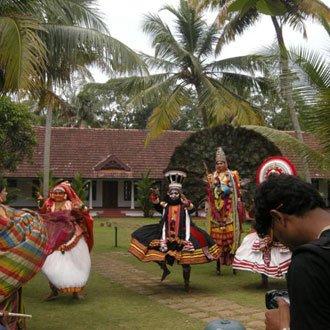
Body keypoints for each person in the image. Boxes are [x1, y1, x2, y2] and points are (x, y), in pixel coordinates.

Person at [254, 174, 330, 330]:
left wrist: (282, 327)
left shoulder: (310, 262)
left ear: (278, 218)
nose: (283, 244)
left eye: (275, 236)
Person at [129, 170, 220, 292]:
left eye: (176, 193)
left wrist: (186, 202)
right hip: (165, 234)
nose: (173, 196)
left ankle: (186, 285)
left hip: (183, 235)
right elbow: (157, 205)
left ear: (180, 194)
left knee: (186, 262)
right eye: (171, 193)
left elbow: (192, 208)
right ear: (168, 194)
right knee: (152, 249)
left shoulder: (184, 207)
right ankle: (165, 269)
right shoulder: (166, 206)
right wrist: (154, 197)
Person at [0, 184, 48, 329]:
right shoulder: (10, 215)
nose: (6, 192)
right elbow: (32, 226)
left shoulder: (9, 214)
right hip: (9, 272)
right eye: (3, 190)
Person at [39, 181, 93, 300]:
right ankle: (54, 290)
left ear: (66, 194)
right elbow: (42, 215)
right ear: (52, 194)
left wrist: (83, 209)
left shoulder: (71, 204)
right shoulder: (48, 204)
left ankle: (76, 292)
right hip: (52, 236)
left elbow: (83, 213)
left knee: (77, 262)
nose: (58, 195)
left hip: (73, 236)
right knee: (50, 263)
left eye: (60, 192)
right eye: (55, 192)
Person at [206, 147, 244, 275]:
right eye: (217, 163)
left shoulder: (232, 175)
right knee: (217, 240)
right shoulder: (211, 176)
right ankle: (218, 265)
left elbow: (237, 191)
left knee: (230, 238)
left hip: (229, 211)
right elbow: (209, 193)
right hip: (216, 213)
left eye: (221, 162)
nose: (219, 165)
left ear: (226, 163)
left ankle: (233, 264)